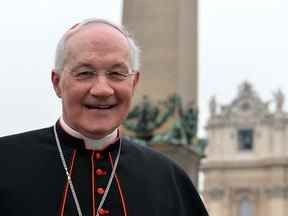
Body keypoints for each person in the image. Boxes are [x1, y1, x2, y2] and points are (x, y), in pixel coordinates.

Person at [0, 18, 208, 216]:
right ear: (57, 82)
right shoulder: (6, 162)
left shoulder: (168, 179)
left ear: (134, 83)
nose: (102, 90)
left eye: (117, 74)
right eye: (85, 73)